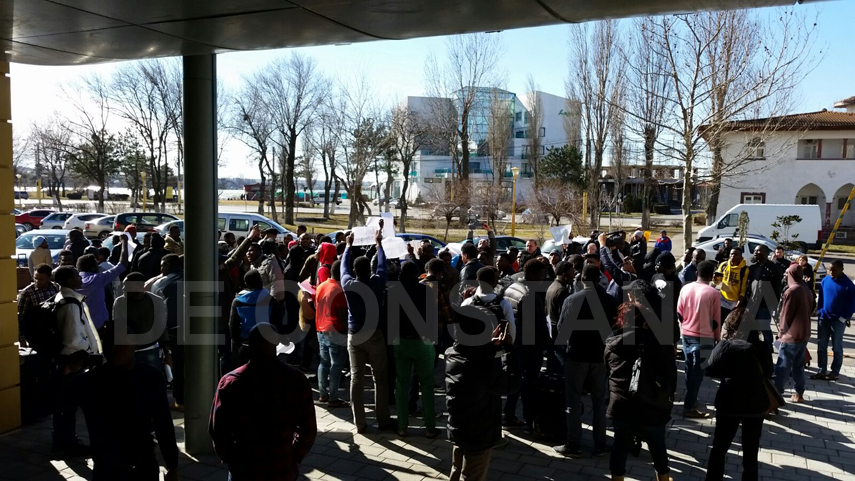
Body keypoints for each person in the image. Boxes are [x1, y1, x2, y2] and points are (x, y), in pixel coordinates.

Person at [209, 323, 317, 480]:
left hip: (244, 468)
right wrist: (294, 455)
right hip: (282, 466)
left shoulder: (230, 382)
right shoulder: (296, 380)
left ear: (250, 346)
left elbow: (217, 429)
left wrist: (230, 458)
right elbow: (308, 428)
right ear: (275, 346)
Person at [73, 330, 179, 481]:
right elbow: (54, 404)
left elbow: (164, 425)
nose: (115, 348)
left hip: (141, 467)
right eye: (110, 343)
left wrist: (172, 465)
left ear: (134, 345)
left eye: (121, 343)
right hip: (107, 469)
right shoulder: (89, 381)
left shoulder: (150, 378)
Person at [605, 280, 677, 481]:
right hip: (652, 405)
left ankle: (617, 478)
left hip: (622, 405)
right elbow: (671, 375)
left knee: (620, 445)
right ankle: (663, 477)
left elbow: (608, 371)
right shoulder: (658, 343)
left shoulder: (613, 344)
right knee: (657, 445)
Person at [705, 308, 777, 481]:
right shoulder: (761, 347)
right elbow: (768, 372)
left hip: (729, 403)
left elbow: (710, 369)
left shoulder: (725, 346)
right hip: (755, 405)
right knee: (750, 451)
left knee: (719, 448)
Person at [554, 264, 617, 458]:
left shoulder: (572, 300)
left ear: (582, 279)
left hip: (577, 357)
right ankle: (600, 444)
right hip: (600, 358)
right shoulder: (610, 301)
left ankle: (573, 444)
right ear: (599, 280)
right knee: (599, 402)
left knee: (573, 400)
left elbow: (561, 330)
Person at [445, 320, 518, 481]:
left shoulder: (452, 353)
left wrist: (492, 346)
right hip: (478, 432)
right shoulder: (483, 366)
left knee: (457, 468)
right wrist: (508, 349)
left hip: (458, 426)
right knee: (473, 474)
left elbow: (475, 358)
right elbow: (511, 384)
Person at [341, 223, 391, 432]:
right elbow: (382, 265)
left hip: (354, 335)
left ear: (354, 271)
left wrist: (347, 247)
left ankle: (360, 422)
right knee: (380, 377)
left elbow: (343, 267)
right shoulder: (377, 282)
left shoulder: (348, 284)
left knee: (356, 378)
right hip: (375, 335)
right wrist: (379, 244)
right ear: (368, 271)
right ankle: (383, 420)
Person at [52, 265, 102, 456]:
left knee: (65, 405)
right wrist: (89, 350)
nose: (80, 277)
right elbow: (73, 339)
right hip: (73, 363)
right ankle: (68, 443)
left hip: (68, 362)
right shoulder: (71, 303)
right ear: (69, 281)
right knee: (70, 406)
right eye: (76, 275)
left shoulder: (64, 298)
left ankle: (62, 441)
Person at [389, 261, 439, 438]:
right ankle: (430, 428)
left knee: (401, 384)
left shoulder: (393, 291)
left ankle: (402, 426)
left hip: (401, 342)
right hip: (422, 342)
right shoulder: (425, 290)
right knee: (427, 384)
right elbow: (433, 317)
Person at [502, 260, 551, 435]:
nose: (543, 278)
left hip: (514, 343)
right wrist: (548, 343)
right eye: (541, 275)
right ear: (532, 274)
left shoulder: (512, 287)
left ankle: (508, 416)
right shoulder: (529, 294)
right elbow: (538, 324)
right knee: (529, 385)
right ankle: (530, 423)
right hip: (529, 347)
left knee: (515, 381)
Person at [676, 260, 721, 419]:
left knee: (689, 369)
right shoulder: (713, 293)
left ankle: (691, 399)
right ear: (712, 275)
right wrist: (718, 339)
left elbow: (679, 313)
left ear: (697, 273)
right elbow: (716, 320)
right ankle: (689, 406)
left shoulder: (686, 288)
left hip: (686, 335)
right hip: (704, 338)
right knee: (698, 374)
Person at [112, 272, 169, 372]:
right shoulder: (120, 302)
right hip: (128, 351)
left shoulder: (155, 301)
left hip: (150, 349)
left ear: (139, 286)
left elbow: (161, 327)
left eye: (127, 285)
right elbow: (117, 327)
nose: (123, 288)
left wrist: (167, 352)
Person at [774, 263, 813, 402]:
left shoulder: (791, 291)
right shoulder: (806, 289)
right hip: (804, 333)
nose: (785, 275)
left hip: (791, 336)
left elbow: (786, 315)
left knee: (782, 367)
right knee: (798, 366)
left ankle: (776, 395)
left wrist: (781, 332)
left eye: (787, 273)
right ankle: (799, 393)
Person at [315, 259, 350, 408]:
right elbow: (343, 314)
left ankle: (323, 394)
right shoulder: (339, 290)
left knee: (324, 363)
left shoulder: (321, 285)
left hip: (320, 329)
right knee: (336, 365)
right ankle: (333, 397)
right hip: (335, 331)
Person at [813, 260, 855, 381]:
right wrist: (819, 311)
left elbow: (852, 304)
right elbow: (820, 298)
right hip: (824, 319)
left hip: (838, 321)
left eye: (834, 270)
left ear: (842, 269)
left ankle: (835, 372)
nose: (831, 272)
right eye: (830, 269)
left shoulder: (848, 285)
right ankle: (821, 370)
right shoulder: (825, 281)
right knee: (821, 345)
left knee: (836, 347)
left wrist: (843, 318)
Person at [152, 254, 185, 410]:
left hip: (173, 332)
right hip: (198, 330)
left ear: (166, 266)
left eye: (162, 266)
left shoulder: (159, 284)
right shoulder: (195, 278)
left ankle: (181, 400)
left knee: (178, 366)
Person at [77, 236, 128, 330]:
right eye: (97, 264)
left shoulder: (74, 281)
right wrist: (125, 242)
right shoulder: (97, 279)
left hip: (79, 327)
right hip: (98, 326)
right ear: (93, 267)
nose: (98, 266)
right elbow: (123, 264)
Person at [229, 269, 273, 364]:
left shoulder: (237, 302)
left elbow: (233, 325)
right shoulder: (270, 299)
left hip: (245, 342)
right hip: (265, 342)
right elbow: (275, 321)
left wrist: (237, 343)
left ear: (246, 284)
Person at [746, 245, 782, 351]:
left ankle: (768, 349)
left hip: (764, 305)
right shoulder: (752, 268)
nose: (756, 253)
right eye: (755, 251)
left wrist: (774, 305)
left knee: (764, 328)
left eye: (758, 251)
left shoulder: (774, 268)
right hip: (751, 304)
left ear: (766, 253)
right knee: (750, 329)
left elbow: (777, 287)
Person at [17, 263, 59, 346]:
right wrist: (22, 340)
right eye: (35, 278)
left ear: (49, 278)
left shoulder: (55, 288)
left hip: (53, 334)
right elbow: (20, 317)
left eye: (41, 279)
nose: (37, 281)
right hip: (35, 335)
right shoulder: (27, 293)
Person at [715, 247, 749, 324]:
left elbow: (743, 289)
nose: (733, 256)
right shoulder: (724, 265)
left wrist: (738, 305)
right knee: (719, 323)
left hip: (734, 303)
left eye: (736, 254)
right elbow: (717, 283)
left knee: (730, 325)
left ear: (740, 256)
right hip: (722, 300)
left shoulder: (744, 270)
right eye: (731, 254)